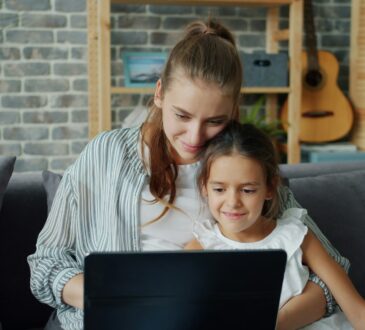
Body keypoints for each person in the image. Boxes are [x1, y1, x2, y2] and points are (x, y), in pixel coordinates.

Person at [28, 19, 348, 330]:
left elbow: (333, 274)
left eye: (215, 121)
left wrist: (270, 322)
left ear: (234, 112)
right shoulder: (105, 154)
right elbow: (46, 263)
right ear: (159, 93)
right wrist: (106, 297)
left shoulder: (244, 169)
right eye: (182, 115)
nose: (194, 137)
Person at [185, 121, 365, 329]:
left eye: (248, 190)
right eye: (219, 189)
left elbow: (356, 309)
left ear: (270, 188)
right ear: (204, 187)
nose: (233, 202)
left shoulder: (296, 236)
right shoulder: (198, 251)